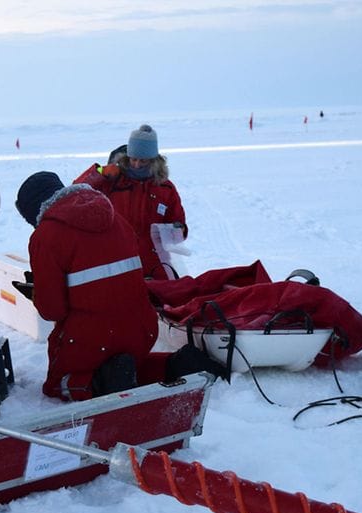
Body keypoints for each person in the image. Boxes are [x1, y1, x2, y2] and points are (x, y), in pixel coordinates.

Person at [15, 171, 223, 401]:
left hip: (92, 339)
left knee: (59, 384)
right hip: (142, 330)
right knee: (127, 366)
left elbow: (52, 310)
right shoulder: (115, 217)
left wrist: (39, 292)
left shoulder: (46, 235)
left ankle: (102, 382)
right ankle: (175, 365)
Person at [73, 125, 187, 280]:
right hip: (117, 263)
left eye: (143, 160)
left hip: (154, 266)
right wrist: (100, 172)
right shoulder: (113, 180)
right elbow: (76, 192)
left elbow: (180, 228)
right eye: (133, 159)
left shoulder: (165, 188)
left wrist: (177, 229)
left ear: (154, 160)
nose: (137, 164)